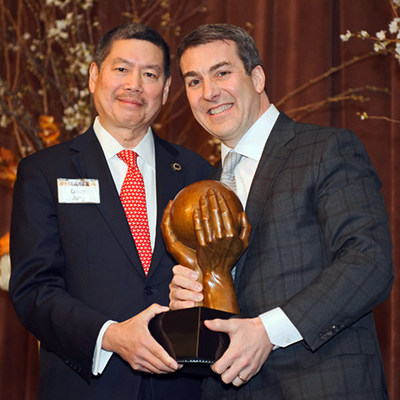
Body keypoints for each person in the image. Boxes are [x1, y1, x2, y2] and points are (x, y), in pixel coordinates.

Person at [167, 23, 394, 399]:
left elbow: (368, 262)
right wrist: (189, 303)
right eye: (194, 81)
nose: (209, 93)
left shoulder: (325, 149)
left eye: (222, 72)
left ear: (257, 77)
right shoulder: (203, 191)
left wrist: (268, 331)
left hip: (319, 385)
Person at [9, 23, 214, 400]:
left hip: (182, 387)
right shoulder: (44, 171)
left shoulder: (197, 173)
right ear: (93, 76)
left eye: (149, 74)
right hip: (85, 385)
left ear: (166, 90)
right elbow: (34, 289)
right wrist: (110, 336)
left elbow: (221, 275)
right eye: (121, 69)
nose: (134, 84)